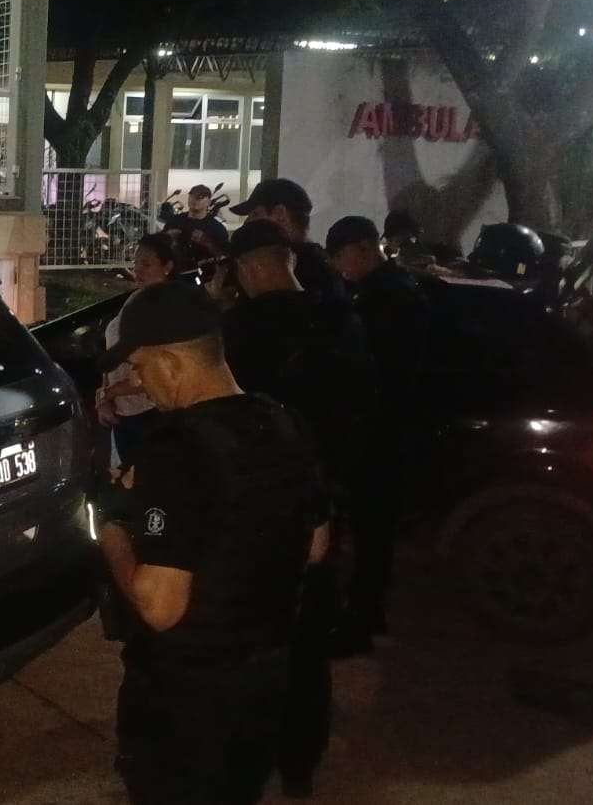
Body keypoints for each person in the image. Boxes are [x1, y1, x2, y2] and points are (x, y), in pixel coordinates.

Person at [94, 282, 331, 805]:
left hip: (185, 702)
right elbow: (315, 547)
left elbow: (159, 607)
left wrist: (111, 530)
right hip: (264, 687)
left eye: (141, 367)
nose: (140, 382)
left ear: (172, 362)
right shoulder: (284, 421)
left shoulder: (175, 449)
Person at [221, 220, 380, 798]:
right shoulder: (341, 319)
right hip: (326, 506)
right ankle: (300, 762)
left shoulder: (241, 329)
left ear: (249, 267)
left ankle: (249, 758)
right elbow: (364, 411)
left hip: (256, 510)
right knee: (308, 642)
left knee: (247, 640)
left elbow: (226, 423)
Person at [325, 217, 430, 652]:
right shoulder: (380, 291)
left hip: (381, 433)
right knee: (369, 534)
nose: (339, 267)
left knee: (371, 535)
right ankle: (364, 615)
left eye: (341, 257)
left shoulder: (392, 297)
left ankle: (362, 622)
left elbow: (379, 371)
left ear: (364, 249)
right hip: (378, 430)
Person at [96, 233, 183, 471]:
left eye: (146, 264)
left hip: (150, 411)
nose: (138, 270)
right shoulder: (136, 299)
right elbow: (113, 355)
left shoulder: (168, 308)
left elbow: (158, 372)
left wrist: (109, 393)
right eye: (136, 262)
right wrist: (105, 396)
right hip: (123, 412)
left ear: (167, 267)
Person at [229, 178, 349, 307]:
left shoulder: (297, 269)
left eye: (255, 214)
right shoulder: (320, 264)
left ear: (280, 213)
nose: (248, 223)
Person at [164, 184, 230, 266]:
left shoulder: (217, 228)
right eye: (192, 196)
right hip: (176, 269)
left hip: (205, 270)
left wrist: (207, 242)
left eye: (200, 197)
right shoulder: (174, 221)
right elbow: (160, 246)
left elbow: (224, 256)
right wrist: (168, 237)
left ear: (209, 202)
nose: (195, 199)